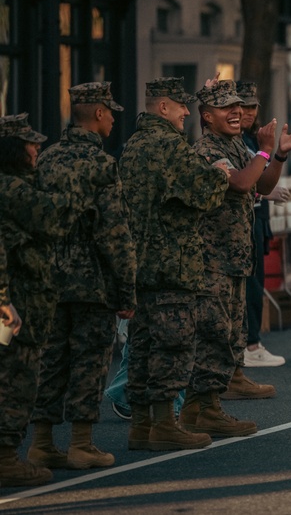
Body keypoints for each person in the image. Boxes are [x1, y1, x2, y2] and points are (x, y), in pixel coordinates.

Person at [28, 82, 137, 470]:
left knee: (51, 360)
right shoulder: (102, 165)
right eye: (110, 113)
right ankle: (81, 443)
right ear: (98, 114)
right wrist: (127, 291)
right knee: (89, 363)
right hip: (92, 283)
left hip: (48, 282)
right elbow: (114, 233)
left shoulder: (46, 159)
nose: (112, 120)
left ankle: (40, 442)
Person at [182, 77, 291, 437]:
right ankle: (201, 409)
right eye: (226, 107)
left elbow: (263, 186)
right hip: (211, 261)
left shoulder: (234, 145)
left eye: (238, 106)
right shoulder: (206, 149)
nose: (236, 112)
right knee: (213, 336)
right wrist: (264, 151)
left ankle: (207, 407)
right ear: (206, 116)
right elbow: (240, 183)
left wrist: (277, 154)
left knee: (231, 335)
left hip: (234, 258)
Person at [118, 77, 230, 451]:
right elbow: (204, 193)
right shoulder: (169, 146)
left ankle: (141, 425)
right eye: (181, 105)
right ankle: (165, 424)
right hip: (172, 263)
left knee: (142, 344)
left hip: (139, 263)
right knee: (173, 344)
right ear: (162, 107)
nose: (186, 112)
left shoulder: (132, 145)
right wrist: (219, 173)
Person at [0, 113, 79, 486]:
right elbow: (56, 217)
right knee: (17, 379)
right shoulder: (13, 189)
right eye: (30, 144)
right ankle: (5, 458)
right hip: (16, 304)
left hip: (21, 301)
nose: (37, 149)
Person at [236, 81, 288, 368]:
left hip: (255, 217)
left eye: (252, 106)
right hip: (241, 221)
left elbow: (259, 176)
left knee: (254, 284)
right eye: (242, 106)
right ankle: (248, 344)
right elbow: (238, 181)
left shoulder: (250, 140)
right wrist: (262, 190)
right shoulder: (232, 141)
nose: (248, 112)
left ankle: (251, 342)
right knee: (246, 285)